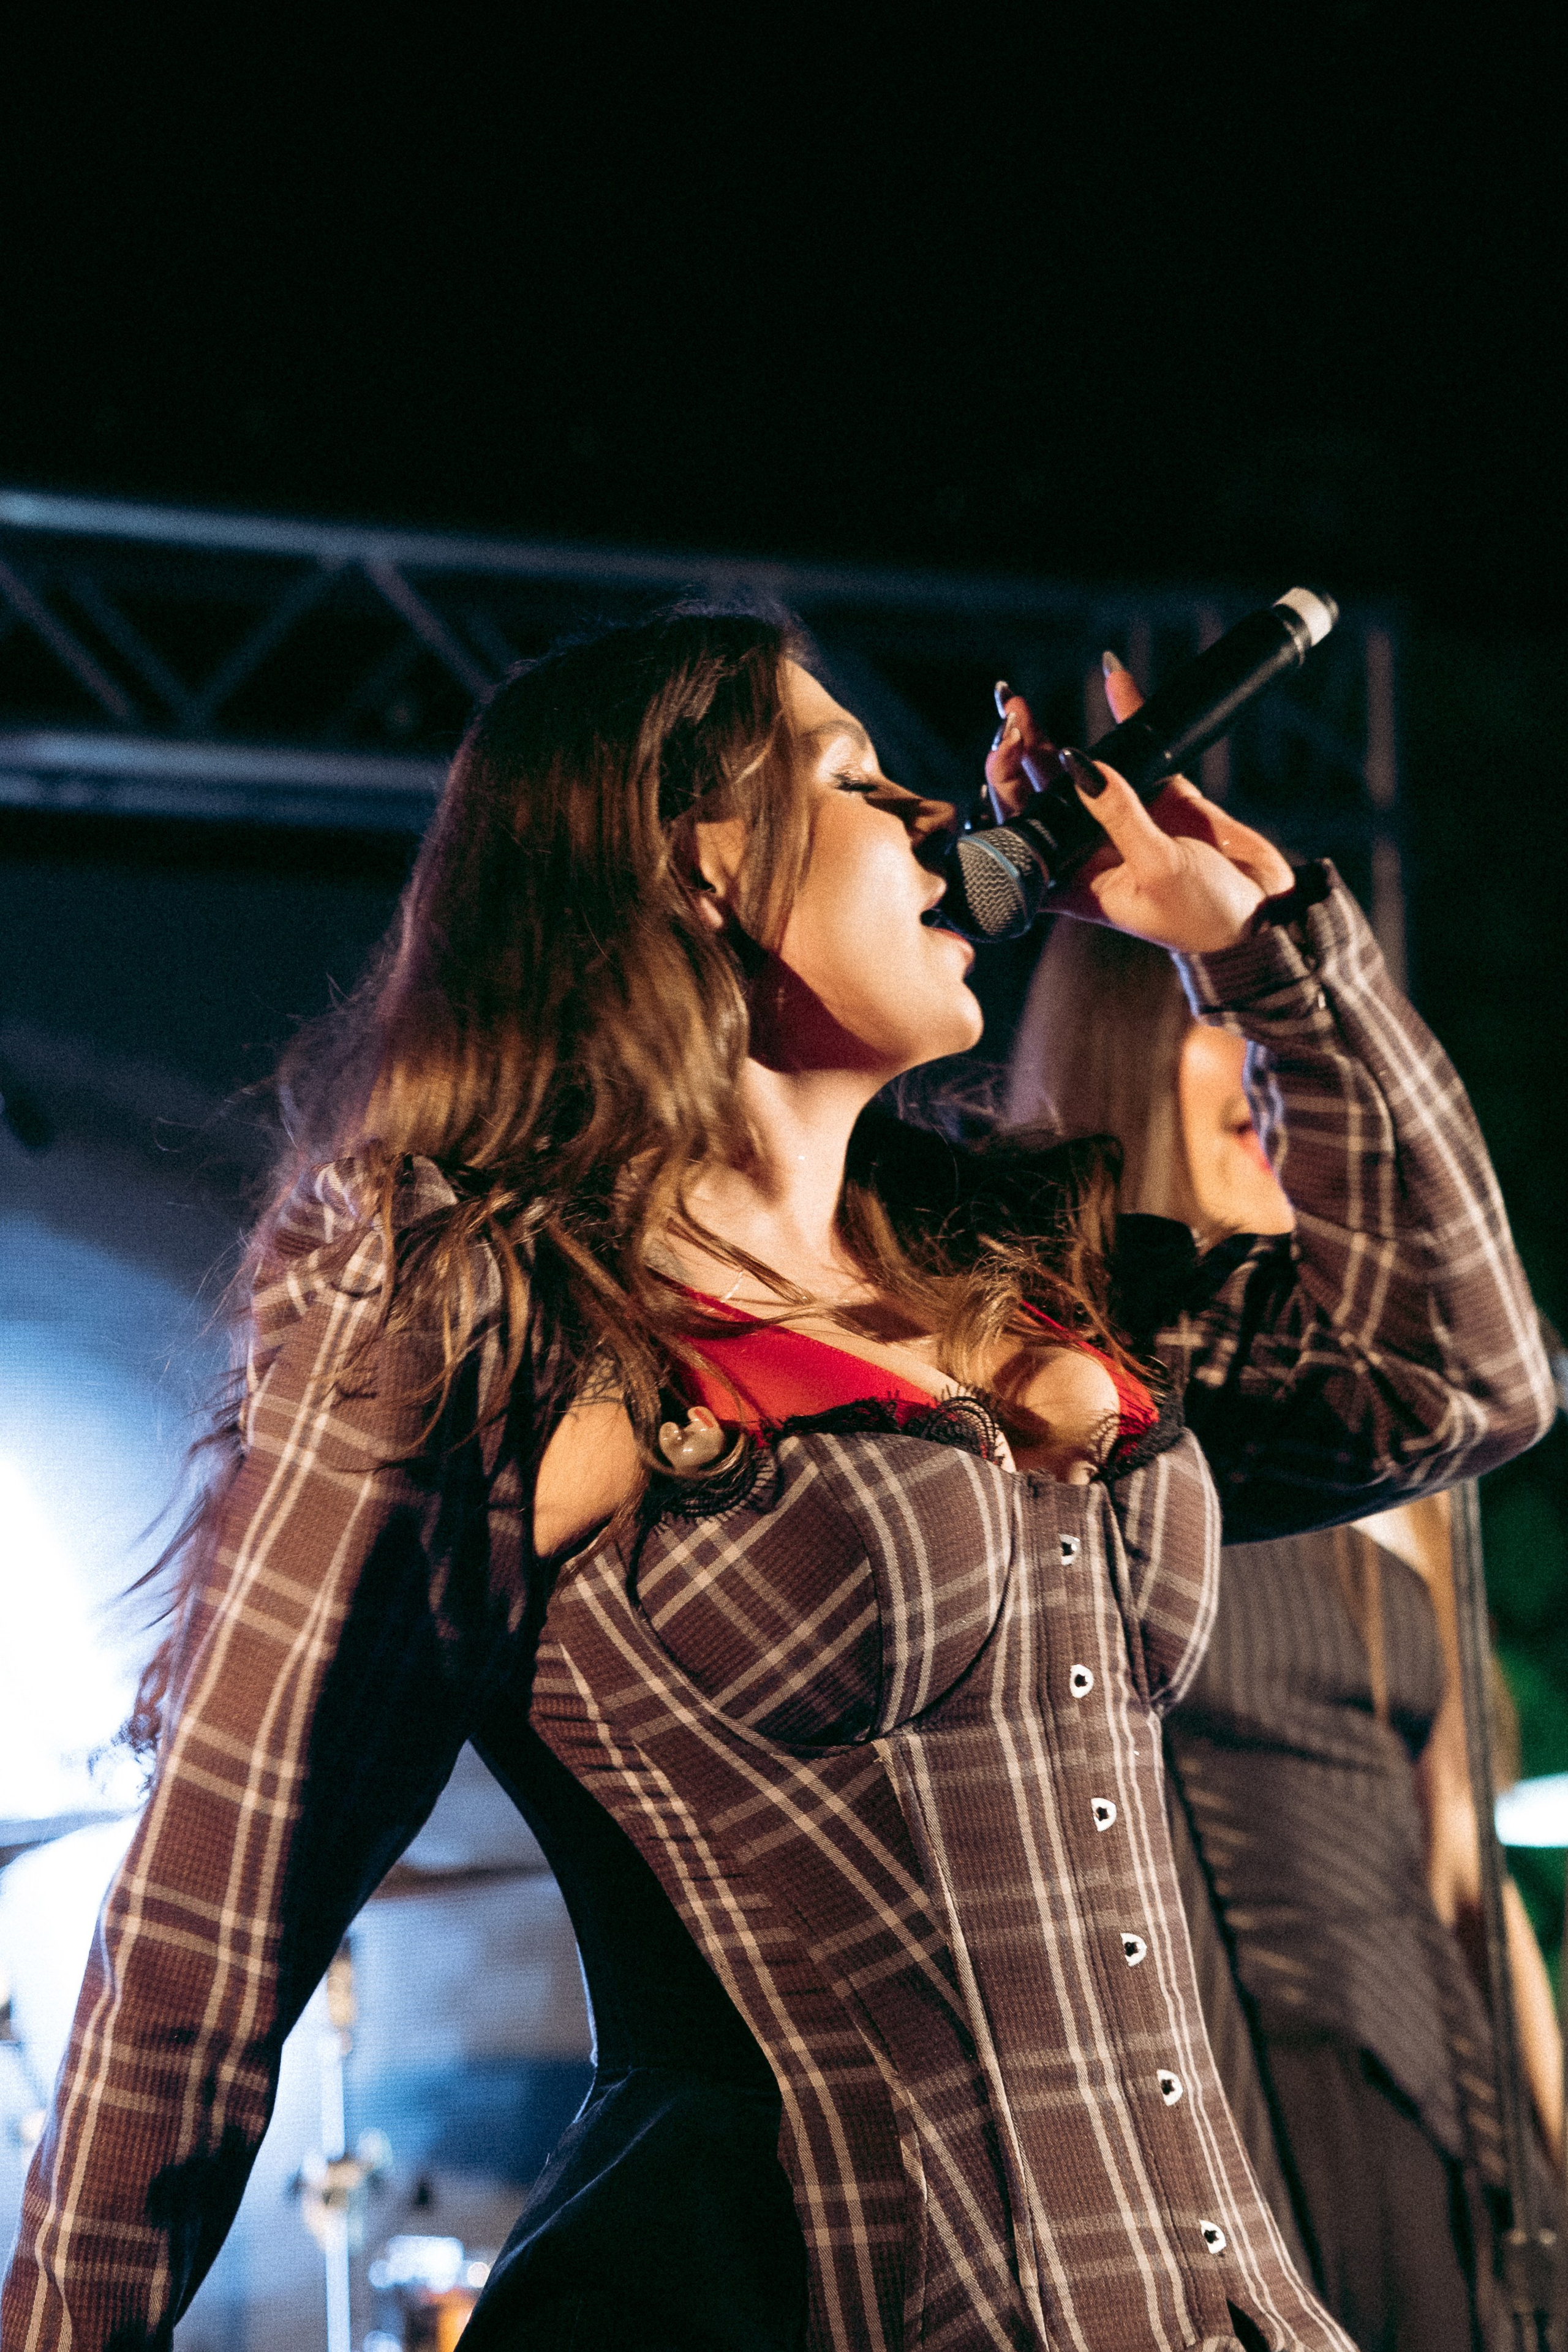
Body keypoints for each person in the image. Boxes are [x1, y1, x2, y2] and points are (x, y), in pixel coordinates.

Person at [2, 612, 1553, 2352]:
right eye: (860, 782)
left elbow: (1458, 1374)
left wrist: (1266, 954)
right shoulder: (486, 1329)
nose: (932, 824)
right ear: (694, 859)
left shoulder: (1015, 1264)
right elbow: (203, 1951)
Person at [1005, 654, 1562, 2352]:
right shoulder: (1101, 1386)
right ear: (1125, 1036)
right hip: (1226, 2098)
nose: (1269, 1098)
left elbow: (1457, 1858)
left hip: (1433, 2108)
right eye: (1224, 1048)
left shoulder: (1355, 1436)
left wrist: (1546, 2134)